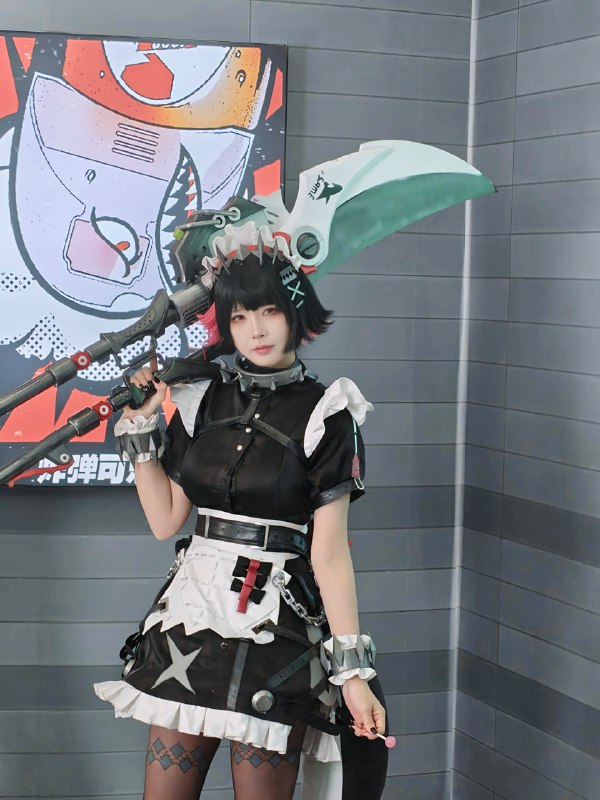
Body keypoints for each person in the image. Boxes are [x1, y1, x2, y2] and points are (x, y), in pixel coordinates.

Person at [94, 227, 388, 800]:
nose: (255, 330)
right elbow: (166, 520)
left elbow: (329, 554)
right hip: (192, 620)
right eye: (239, 317)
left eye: (269, 311)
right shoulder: (203, 399)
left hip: (275, 627)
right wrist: (141, 426)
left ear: (296, 312)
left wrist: (353, 673)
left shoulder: (326, 413)